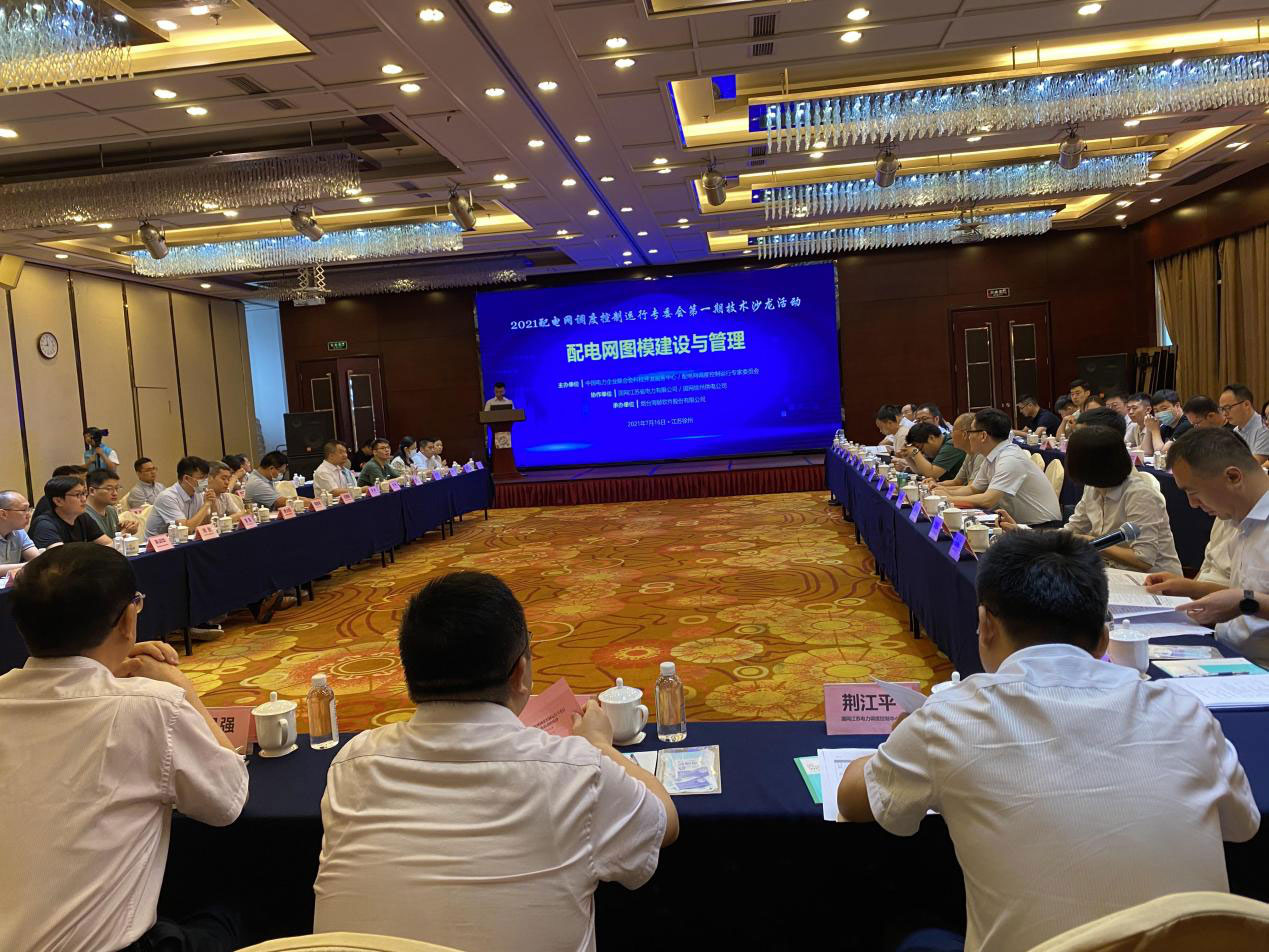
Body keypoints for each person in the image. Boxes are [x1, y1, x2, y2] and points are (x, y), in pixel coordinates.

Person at [836, 530, 1259, 952]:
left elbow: (853, 801)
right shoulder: (1185, 710)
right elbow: (1242, 828)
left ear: (985, 625)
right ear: (1103, 638)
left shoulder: (948, 718)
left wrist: (899, 738)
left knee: (915, 931)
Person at [313, 570, 678, 951]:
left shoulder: (352, 764)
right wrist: (601, 744)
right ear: (520, 672)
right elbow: (663, 820)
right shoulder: (576, 771)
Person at [0, 543, 248, 952]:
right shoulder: (151, 706)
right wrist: (184, 692)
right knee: (233, 910)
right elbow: (229, 800)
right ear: (128, 621)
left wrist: (104, 671)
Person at [1145, 427, 1269, 662]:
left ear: (1233, 477)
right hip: (1224, 648)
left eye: (1193, 492)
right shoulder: (1237, 518)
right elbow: (1246, 593)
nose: (1193, 504)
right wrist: (1192, 588)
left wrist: (1246, 602)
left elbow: (1247, 599)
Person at [1061, 425, 1182, 574]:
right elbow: (1074, 528)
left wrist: (1091, 543)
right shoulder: (1093, 487)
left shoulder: (1140, 494)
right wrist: (1044, 539)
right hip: (1112, 570)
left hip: (1153, 579)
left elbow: (1143, 559)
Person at [934, 409, 1062, 527]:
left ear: (983, 436)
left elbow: (987, 500)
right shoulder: (992, 455)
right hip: (1018, 524)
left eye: (971, 432)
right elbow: (973, 489)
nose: (968, 436)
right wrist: (942, 492)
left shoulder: (1010, 458)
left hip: (1042, 527)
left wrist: (947, 499)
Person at [143, 456, 217, 538]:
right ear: (186, 478)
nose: (205, 482)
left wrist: (212, 504)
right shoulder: (167, 497)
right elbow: (185, 529)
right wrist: (206, 505)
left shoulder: (198, 493)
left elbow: (205, 524)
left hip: (183, 540)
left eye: (206, 478)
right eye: (201, 478)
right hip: (158, 544)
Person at [30, 475, 111, 547]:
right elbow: (60, 556)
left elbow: (109, 543)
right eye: (78, 495)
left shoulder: (83, 517)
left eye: (84, 493)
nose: (84, 499)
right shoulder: (45, 525)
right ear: (58, 501)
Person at [900, 421, 965, 481]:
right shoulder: (936, 449)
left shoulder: (952, 444)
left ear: (931, 438)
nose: (922, 453)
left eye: (920, 448)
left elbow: (932, 474)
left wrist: (915, 452)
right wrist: (907, 456)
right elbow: (921, 472)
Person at [1220, 383, 1269, 463]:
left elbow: (1254, 464)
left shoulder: (1265, 427)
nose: (1224, 413)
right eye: (1222, 409)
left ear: (1246, 405)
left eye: (1228, 408)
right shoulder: (1235, 431)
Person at [0, 491, 39, 577]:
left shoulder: (19, 531)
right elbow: (36, 563)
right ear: (3, 514)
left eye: (29, 509)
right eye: (24, 510)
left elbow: (38, 559)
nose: (29, 515)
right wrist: (29, 565)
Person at [84, 467, 122, 538]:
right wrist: (123, 534)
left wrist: (124, 529)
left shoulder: (111, 510)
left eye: (117, 488)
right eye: (109, 489)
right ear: (92, 491)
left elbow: (115, 537)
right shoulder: (84, 515)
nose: (115, 493)